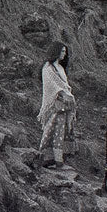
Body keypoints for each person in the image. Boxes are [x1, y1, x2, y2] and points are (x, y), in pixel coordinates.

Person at [38, 41, 76, 169]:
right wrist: (62, 94)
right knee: (52, 128)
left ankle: (59, 159)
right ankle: (46, 157)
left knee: (63, 130)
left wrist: (68, 95)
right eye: (62, 51)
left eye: (65, 52)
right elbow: (51, 85)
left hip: (65, 104)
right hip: (55, 104)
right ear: (56, 51)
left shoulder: (60, 68)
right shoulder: (48, 68)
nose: (64, 54)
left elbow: (65, 85)